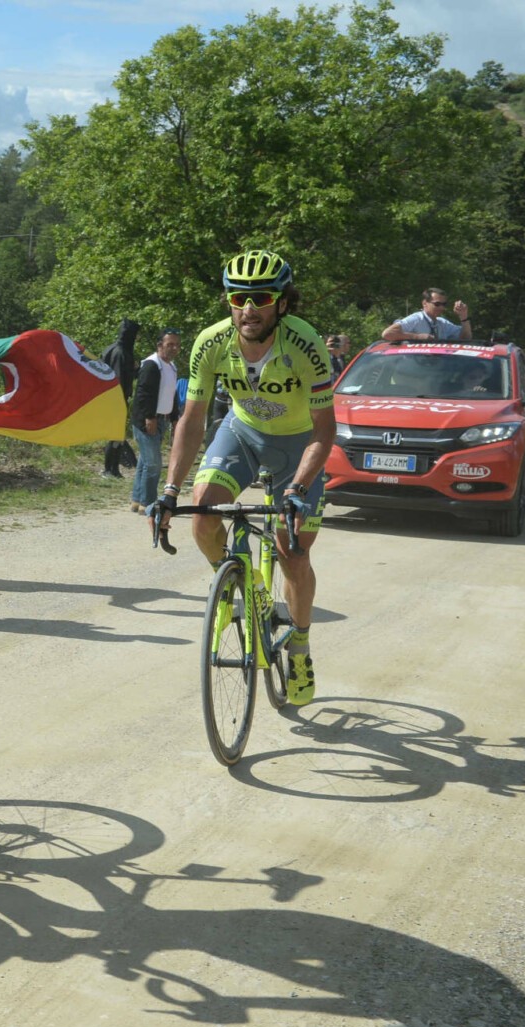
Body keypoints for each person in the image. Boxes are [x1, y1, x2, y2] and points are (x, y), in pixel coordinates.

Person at [152, 250, 335, 707]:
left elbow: (324, 429)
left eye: (261, 298)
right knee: (202, 514)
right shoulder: (211, 342)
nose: (249, 309)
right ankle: (236, 583)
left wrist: (297, 488)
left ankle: (299, 647)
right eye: (239, 299)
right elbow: (192, 420)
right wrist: (170, 490)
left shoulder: (305, 344)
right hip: (243, 433)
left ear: (282, 303)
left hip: (299, 443)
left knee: (293, 552)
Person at [129, 328, 180, 512]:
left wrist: (174, 418)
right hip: (148, 420)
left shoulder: (172, 367)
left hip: (162, 419)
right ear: (160, 345)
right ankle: (149, 503)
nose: (174, 348)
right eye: (170, 344)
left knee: (145, 462)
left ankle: (137, 500)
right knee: (153, 464)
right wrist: (149, 417)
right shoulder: (152, 365)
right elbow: (143, 394)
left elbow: (172, 394)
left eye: (177, 345)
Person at [98, 318, 141, 479]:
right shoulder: (121, 353)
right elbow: (120, 379)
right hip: (116, 400)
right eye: (136, 335)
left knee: (116, 435)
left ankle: (113, 469)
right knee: (115, 435)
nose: (137, 338)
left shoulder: (111, 349)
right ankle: (109, 469)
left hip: (108, 398)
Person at [382, 289, 473, 343]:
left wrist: (463, 316)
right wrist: (417, 337)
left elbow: (466, 338)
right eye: (437, 304)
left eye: (444, 304)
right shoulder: (416, 319)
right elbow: (387, 334)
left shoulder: (442, 323)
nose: (441, 307)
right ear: (425, 303)